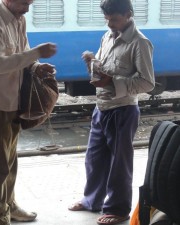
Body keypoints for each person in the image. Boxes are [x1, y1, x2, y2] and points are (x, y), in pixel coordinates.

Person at [68, 0, 155, 224]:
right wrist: (93, 63)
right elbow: (105, 70)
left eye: (114, 19)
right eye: (107, 19)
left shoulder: (140, 43)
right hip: (102, 108)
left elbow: (147, 83)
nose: (110, 24)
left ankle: (118, 209)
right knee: (94, 159)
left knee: (119, 163)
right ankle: (92, 201)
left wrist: (111, 81)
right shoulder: (107, 36)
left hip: (123, 110)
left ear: (128, 14)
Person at [0, 0, 57, 224]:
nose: (27, 8)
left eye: (30, 3)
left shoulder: (18, 19)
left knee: (9, 160)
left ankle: (9, 206)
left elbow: (23, 54)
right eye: (23, 3)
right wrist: (37, 52)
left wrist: (36, 65)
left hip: (13, 99)